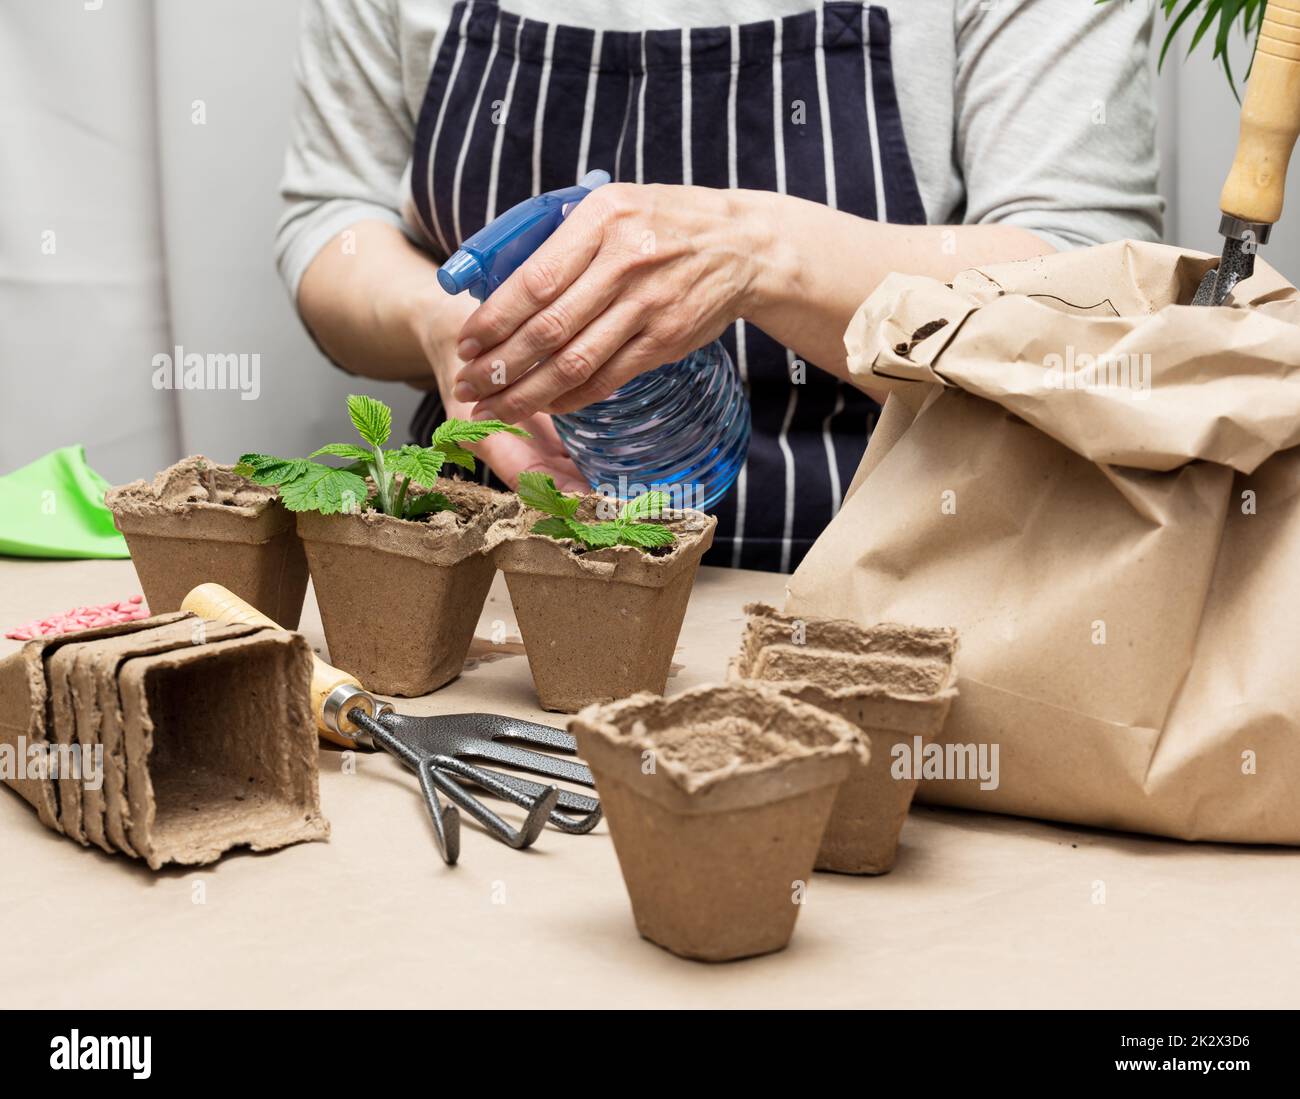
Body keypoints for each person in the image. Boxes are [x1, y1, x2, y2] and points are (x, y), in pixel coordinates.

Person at [276, 0, 1162, 572]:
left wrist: (763, 256)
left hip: (897, 602)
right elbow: (331, 221)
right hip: (500, 602)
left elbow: (1091, 291)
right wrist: (447, 325)